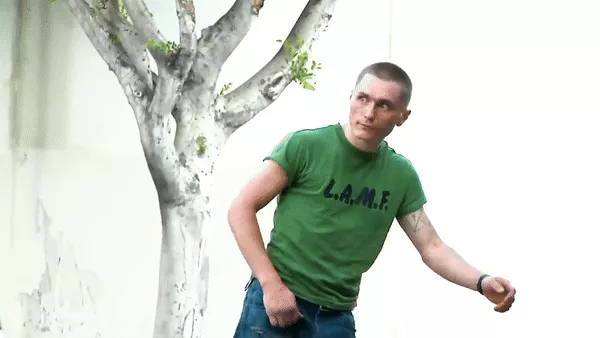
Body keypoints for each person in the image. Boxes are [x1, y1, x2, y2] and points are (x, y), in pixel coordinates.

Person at [228, 62, 516, 337]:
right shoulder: (305, 146)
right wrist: (270, 284)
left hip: (336, 317)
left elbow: (432, 247)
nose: (368, 112)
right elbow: (241, 208)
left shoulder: (400, 175)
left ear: (403, 116)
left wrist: (481, 282)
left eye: (384, 105)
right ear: (350, 96)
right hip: (276, 303)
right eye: (363, 98)